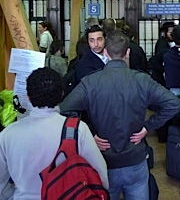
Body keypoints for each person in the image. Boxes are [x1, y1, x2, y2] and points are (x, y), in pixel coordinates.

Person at [60, 30, 180, 200]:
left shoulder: (90, 82)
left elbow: (64, 110)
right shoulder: (141, 80)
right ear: (128, 52)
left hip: (103, 160)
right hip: (135, 158)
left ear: (106, 52)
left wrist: (87, 134)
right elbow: (174, 104)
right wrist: (148, 126)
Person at [0, 67, 108, 199]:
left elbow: (1, 182)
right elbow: (100, 176)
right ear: (62, 94)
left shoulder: (7, 135)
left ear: (28, 97)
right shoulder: (77, 129)